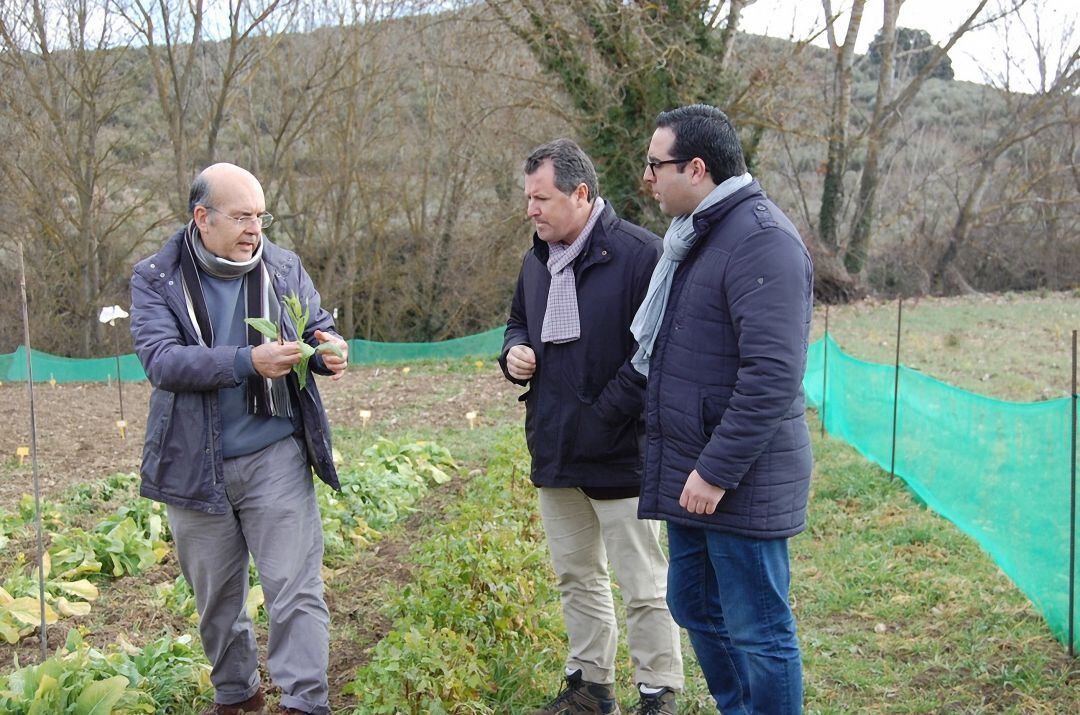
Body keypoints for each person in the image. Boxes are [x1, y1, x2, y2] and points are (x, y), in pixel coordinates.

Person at [130, 163, 348, 715]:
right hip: (194, 465)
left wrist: (325, 348)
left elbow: (313, 324)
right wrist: (245, 361)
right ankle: (238, 697)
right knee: (218, 601)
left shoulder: (281, 267)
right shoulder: (158, 278)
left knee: (295, 590)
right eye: (243, 216)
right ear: (202, 218)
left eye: (261, 216)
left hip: (275, 452)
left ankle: (305, 703)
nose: (256, 228)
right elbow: (162, 361)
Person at [633, 105, 814, 714]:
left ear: (698, 168)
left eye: (656, 164)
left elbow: (773, 376)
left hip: (737, 478)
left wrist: (715, 472)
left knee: (760, 629)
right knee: (694, 604)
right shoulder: (699, 237)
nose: (648, 178)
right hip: (694, 471)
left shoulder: (761, 240)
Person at [500, 139, 684, 715]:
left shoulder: (639, 256)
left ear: (582, 194)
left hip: (621, 450)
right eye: (528, 198)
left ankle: (658, 689)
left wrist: (606, 414)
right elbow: (515, 323)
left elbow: (656, 355)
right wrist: (514, 353)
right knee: (576, 576)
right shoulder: (537, 259)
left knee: (643, 584)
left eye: (542, 198)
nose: (531, 209)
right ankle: (591, 687)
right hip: (555, 447)